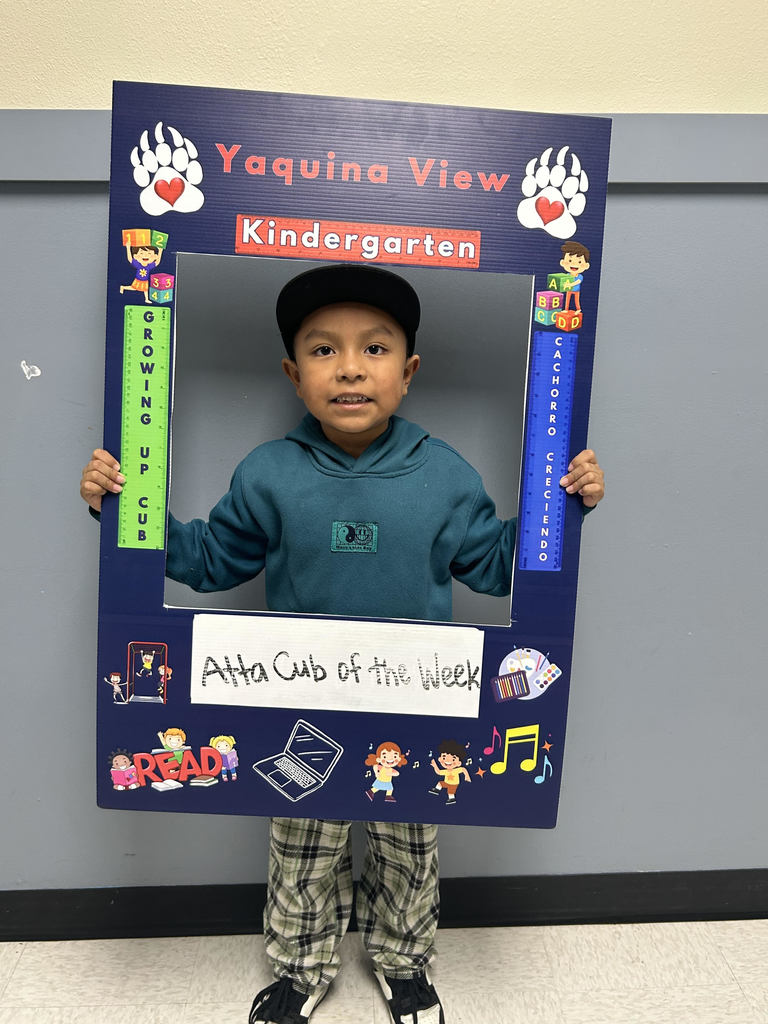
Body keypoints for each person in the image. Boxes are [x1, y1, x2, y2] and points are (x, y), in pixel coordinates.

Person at [80, 263, 605, 1024]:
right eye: (323, 351)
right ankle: (299, 968)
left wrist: (565, 503)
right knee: (302, 848)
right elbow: (207, 559)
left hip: (418, 710)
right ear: (295, 376)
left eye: (376, 348)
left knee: (410, 848)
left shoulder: (446, 477)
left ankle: (404, 964)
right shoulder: (267, 474)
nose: (351, 367)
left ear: (408, 370)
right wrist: (127, 514)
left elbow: (498, 566)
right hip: (302, 710)